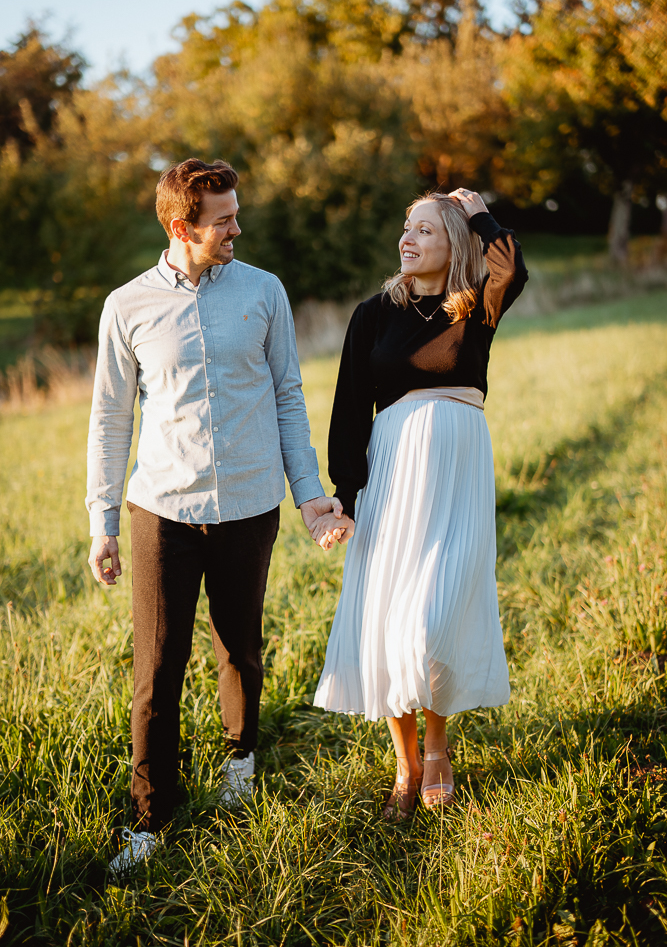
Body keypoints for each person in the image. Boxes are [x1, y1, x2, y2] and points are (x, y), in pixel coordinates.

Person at [86, 158, 350, 876]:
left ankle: (240, 762)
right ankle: (149, 819)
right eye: (224, 221)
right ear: (182, 227)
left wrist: (308, 494)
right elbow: (110, 420)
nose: (238, 229)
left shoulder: (264, 291)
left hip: (249, 505)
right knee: (157, 667)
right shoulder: (127, 306)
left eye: (236, 215)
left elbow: (288, 396)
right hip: (162, 511)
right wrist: (103, 522)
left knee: (240, 647)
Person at [309, 188, 528, 818]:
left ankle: (438, 746)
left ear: (454, 243)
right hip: (392, 474)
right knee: (389, 618)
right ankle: (407, 765)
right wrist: (344, 497)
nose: (408, 238)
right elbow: (351, 408)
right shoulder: (374, 314)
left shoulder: (477, 306)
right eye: (407, 227)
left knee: (433, 617)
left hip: (457, 477)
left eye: (426, 229)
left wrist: (478, 212)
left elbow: (510, 267)